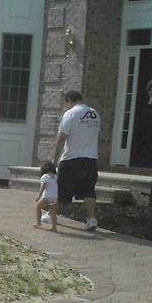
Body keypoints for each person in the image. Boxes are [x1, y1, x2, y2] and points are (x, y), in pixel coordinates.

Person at [51, 90, 101, 231]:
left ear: (69, 100)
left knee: (62, 189)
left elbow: (62, 137)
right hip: (90, 158)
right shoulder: (95, 114)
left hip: (71, 159)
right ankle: (92, 219)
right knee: (89, 191)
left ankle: (51, 214)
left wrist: (54, 159)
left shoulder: (70, 114)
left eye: (66, 103)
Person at [33, 161, 58, 232]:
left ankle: (38, 222)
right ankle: (54, 227)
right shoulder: (56, 177)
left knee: (38, 207)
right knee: (53, 213)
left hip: (47, 197)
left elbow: (43, 187)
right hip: (55, 197)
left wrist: (39, 196)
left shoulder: (45, 177)